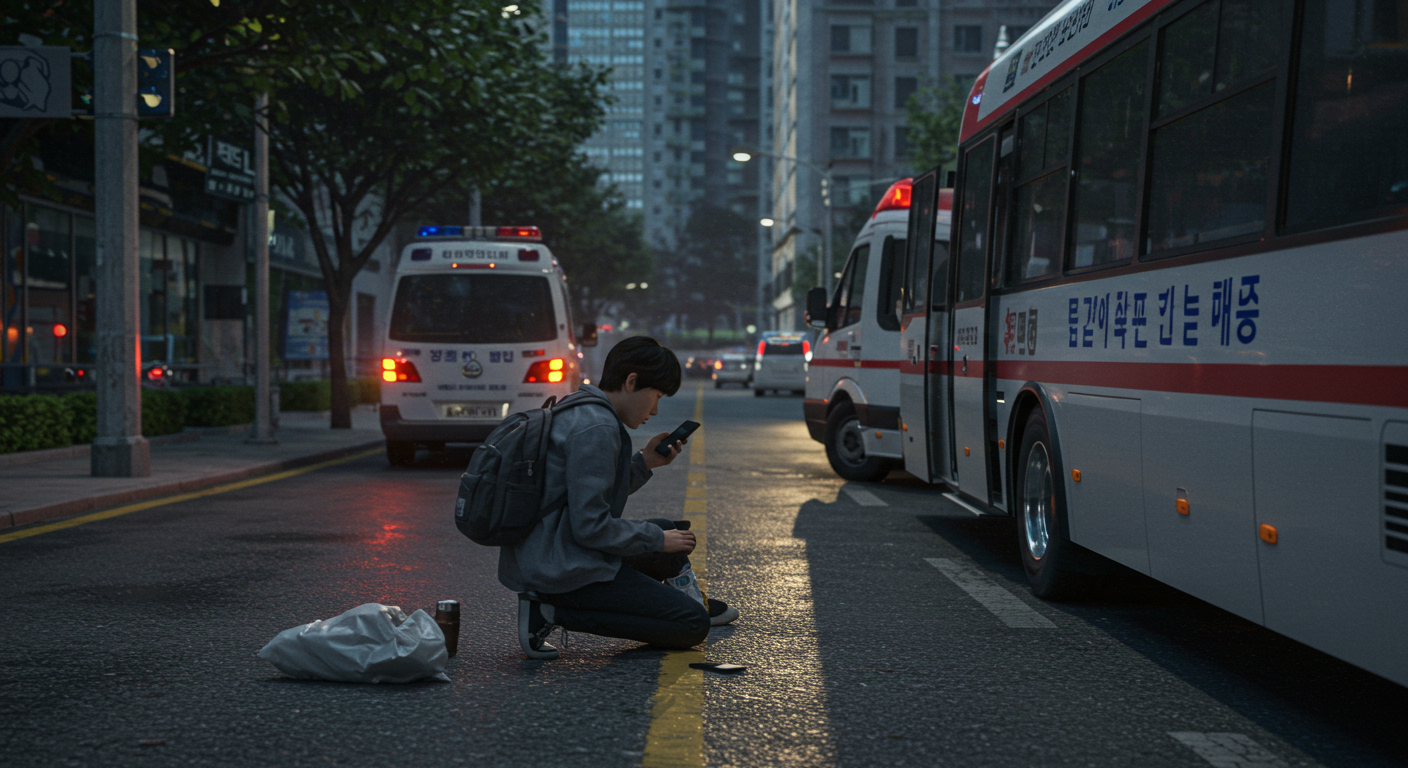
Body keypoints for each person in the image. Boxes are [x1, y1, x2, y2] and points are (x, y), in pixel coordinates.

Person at [499, 336, 738, 659]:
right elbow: (591, 528)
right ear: (631, 381)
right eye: (655, 396)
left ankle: (689, 600)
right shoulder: (597, 428)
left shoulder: (582, 408)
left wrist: (646, 462)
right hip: (561, 569)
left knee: (669, 532)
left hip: (553, 549)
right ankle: (550, 612)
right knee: (691, 625)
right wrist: (656, 538)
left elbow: (588, 492)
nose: (654, 410)